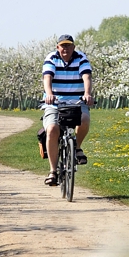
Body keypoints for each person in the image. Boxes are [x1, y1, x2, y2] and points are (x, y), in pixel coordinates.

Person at [41, 34, 94, 186]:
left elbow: (86, 77)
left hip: (77, 100)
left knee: (84, 120)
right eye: (62, 46)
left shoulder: (80, 58)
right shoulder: (51, 58)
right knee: (52, 129)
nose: (66, 49)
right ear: (57, 47)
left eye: (68, 45)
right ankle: (53, 171)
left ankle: (77, 148)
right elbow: (47, 77)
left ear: (73, 47)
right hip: (55, 102)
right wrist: (49, 94)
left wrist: (87, 94)